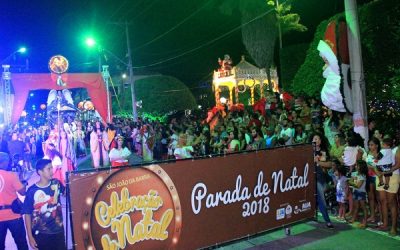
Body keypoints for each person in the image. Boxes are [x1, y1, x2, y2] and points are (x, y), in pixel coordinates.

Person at [22, 159, 66, 250]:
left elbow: (67, 192)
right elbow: (27, 214)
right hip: (41, 233)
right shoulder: (31, 191)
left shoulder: (56, 183)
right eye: (48, 169)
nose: (52, 171)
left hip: (58, 230)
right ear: (40, 172)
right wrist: (30, 237)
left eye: (52, 168)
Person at [0, 152, 29, 250]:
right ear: (4, 162)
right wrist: (22, 182)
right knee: (21, 244)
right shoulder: (11, 175)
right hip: (13, 215)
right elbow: (23, 192)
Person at [312, 133, 334, 228]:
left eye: (317, 139)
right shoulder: (307, 151)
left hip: (319, 178)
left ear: (320, 142)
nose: (315, 140)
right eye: (314, 139)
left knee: (321, 199)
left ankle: (327, 220)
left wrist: (318, 161)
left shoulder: (322, 152)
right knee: (313, 199)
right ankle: (313, 215)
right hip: (308, 179)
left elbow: (328, 165)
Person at [347, 160, 368, 229]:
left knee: (363, 207)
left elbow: (358, 185)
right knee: (356, 206)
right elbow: (351, 182)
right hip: (355, 192)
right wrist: (353, 183)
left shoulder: (363, 176)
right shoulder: (354, 173)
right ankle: (353, 218)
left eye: (357, 165)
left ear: (361, 167)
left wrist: (352, 183)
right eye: (356, 165)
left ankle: (365, 222)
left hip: (361, 193)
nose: (355, 166)